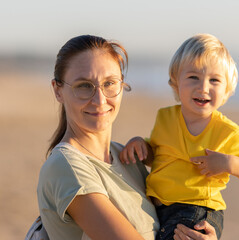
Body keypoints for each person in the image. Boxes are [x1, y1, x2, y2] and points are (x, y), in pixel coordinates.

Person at [37, 34, 218, 240]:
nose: (100, 99)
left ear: (122, 85)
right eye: (84, 86)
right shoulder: (66, 166)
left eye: (110, 83)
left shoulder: (127, 158)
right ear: (58, 90)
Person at [120, 33, 239, 240]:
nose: (203, 87)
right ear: (176, 83)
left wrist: (227, 162)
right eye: (193, 77)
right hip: (159, 206)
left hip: (197, 209)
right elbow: (159, 157)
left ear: (226, 91)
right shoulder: (166, 117)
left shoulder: (227, 131)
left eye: (214, 80)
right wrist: (141, 147)